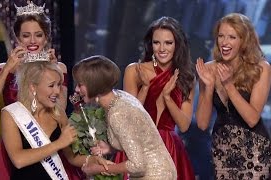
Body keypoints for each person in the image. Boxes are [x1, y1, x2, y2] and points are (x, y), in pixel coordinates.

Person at [0, 1, 80, 179]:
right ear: (17, 38)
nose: (33, 41)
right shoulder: (3, 69)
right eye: (26, 35)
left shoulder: (59, 67)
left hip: (50, 140)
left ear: (47, 36)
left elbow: (60, 107)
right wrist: (7, 70)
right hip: (16, 145)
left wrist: (52, 71)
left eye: (38, 35)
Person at [72, 55, 177, 180]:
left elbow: (137, 166)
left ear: (94, 85)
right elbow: (137, 140)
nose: (77, 89)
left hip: (154, 175)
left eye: (80, 84)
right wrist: (110, 148)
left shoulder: (117, 114)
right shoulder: (119, 97)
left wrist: (98, 168)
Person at [2, 60, 108, 179]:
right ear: (33, 87)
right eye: (51, 85)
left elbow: (72, 158)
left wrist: (92, 159)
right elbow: (18, 160)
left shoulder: (58, 113)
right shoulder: (11, 114)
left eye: (59, 85)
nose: (57, 91)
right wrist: (58, 143)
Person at [196, 13, 271, 179]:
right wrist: (209, 87)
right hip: (222, 149)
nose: (224, 42)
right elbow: (202, 124)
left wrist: (229, 85)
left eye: (232, 37)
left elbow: (252, 118)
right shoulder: (209, 69)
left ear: (243, 41)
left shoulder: (261, 68)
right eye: (221, 36)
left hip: (254, 150)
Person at [122, 16, 196, 180]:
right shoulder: (134, 71)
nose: (162, 48)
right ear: (150, 44)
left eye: (168, 43)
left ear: (177, 45)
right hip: (138, 145)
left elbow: (183, 125)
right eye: (157, 42)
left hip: (169, 148)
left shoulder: (186, 77)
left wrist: (168, 98)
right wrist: (145, 89)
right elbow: (128, 120)